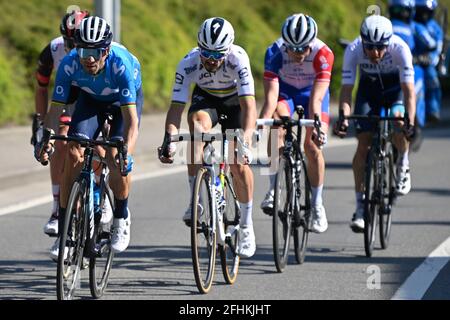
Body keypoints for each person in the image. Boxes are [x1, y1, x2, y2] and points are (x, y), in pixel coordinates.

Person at [36, 16, 143, 258]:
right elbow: (54, 113)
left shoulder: (121, 65)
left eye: (95, 52)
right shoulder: (69, 64)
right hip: (90, 99)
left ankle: (121, 217)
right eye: (83, 50)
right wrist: (46, 139)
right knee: (73, 151)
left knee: (116, 157)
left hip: (121, 104)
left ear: (106, 50)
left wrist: (128, 152)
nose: (89, 58)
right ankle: (65, 230)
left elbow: (132, 123)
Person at [158, 17, 257, 258]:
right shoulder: (188, 63)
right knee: (196, 132)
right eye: (206, 54)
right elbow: (176, 108)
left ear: (228, 49)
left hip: (235, 102)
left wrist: (246, 138)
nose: (211, 60)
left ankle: (246, 225)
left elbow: (250, 107)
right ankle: (196, 202)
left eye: (217, 55)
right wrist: (169, 138)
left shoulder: (238, 60)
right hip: (207, 98)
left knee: (238, 163)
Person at [334, 15, 416, 232]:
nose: (375, 53)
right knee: (363, 145)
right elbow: (346, 91)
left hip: (395, 90)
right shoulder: (353, 50)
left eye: (380, 47)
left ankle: (403, 164)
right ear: (362, 42)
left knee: (399, 121)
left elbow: (409, 91)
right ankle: (361, 208)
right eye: (370, 47)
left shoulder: (401, 49)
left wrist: (410, 121)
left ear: (389, 43)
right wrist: (343, 117)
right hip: (368, 92)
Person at [259, 13, 333, 233]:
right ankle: (273, 189)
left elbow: (317, 100)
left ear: (311, 44)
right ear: (285, 44)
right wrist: (261, 124)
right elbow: (271, 97)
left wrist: (318, 126)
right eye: (293, 48)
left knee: (312, 146)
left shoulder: (323, 53)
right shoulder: (274, 52)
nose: (298, 53)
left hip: (313, 95)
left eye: (303, 49)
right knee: (275, 127)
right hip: (286, 94)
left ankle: (317, 204)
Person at [33, 10, 89, 237]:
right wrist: (39, 122)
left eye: (75, 41)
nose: (71, 46)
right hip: (67, 96)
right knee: (61, 139)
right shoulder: (53, 50)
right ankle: (57, 208)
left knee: (99, 142)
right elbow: (41, 88)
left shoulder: (97, 50)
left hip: (93, 95)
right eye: (68, 41)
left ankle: (99, 195)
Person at [388, 0, 427, 151]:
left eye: (402, 10)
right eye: (396, 10)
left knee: (416, 90)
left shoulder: (415, 27)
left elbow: (431, 44)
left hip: (410, 67)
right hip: (388, 69)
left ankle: (416, 123)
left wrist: (425, 56)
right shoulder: (385, 26)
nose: (399, 14)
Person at [413, 0, 444, 123]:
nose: (423, 15)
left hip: (426, 63)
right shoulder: (410, 24)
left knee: (432, 78)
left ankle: (432, 109)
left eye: (426, 12)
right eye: (420, 11)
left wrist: (430, 60)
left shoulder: (435, 28)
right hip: (409, 61)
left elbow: (437, 48)